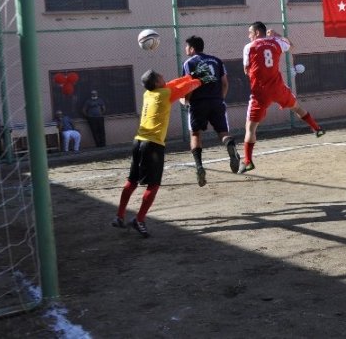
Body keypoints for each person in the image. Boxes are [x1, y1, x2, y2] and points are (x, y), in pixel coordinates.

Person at [112, 67, 215, 238]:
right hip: (152, 145)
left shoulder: (149, 94)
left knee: (132, 180)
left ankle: (119, 216)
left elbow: (173, 84)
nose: (163, 77)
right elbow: (184, 89)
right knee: (153, 185)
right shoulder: (164, 94)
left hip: (138, 141)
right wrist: (201, 80)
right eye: (160, 76)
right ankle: (139, 219)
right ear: (156, 83)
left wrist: (191, 75)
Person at [238, 21, 325, 174]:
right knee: (296, 107)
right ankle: (316, 128)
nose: (249, 36)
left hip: (260, 92)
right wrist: (278, 35)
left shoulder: (249, 47)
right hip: (278, 88)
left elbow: (246, 70)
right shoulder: (276, 43)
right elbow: (291, 46)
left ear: (257, 33)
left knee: (250, 128)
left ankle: (248, 160)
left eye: (250, 33)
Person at [182, 35, 240, 187]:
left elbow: (189, 85)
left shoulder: (189, 63)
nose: (185, 49)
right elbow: (225, 83)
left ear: (192, 48)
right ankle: (230, 146)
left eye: (187, 47)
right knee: (223, 132)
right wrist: (219, 98)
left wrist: (186, 100)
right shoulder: (217, 60)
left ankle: (199, 166)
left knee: (195, 134)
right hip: (216, 101)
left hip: (197, 103)